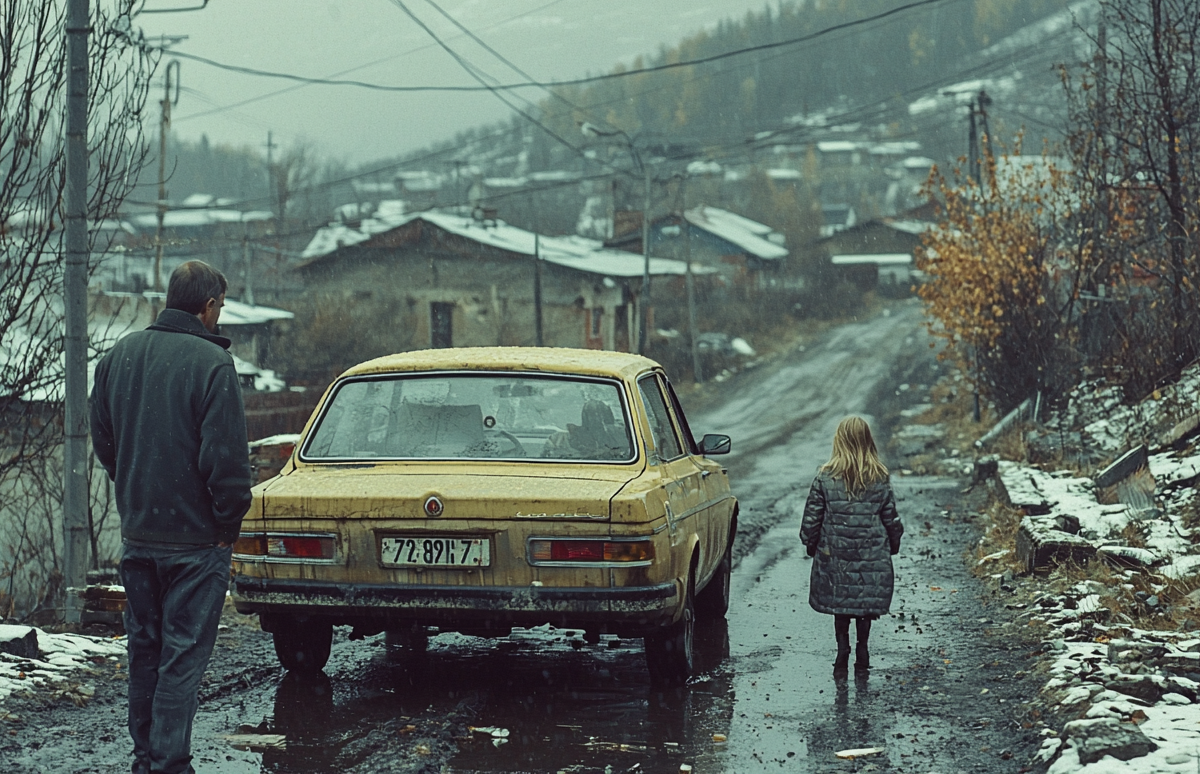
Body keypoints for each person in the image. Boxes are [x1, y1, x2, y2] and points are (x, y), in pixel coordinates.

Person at [91, 261, 252, 774]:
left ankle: (147, 758)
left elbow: (104, 441)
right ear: (208, 306)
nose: (219, 315)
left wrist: (135, 486)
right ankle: (167, 764)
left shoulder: (119, 355)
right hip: (197, 544)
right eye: (220, 307)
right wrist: (226, 525)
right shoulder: (213, 364)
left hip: (139, 536)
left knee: (145, 651)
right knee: (181, 657)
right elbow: (227, 463)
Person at [800, 416, 903, 672]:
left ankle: (842, 649)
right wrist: (893, 544)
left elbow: (812, 518)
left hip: (835, 553)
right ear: (868, 441)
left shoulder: (825, 477)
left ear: (839, 441)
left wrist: (810, 544)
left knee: (841, 602)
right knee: (864, 603)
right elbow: (891, 518)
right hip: (871, 552)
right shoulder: (879, 476)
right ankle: (863, 648)